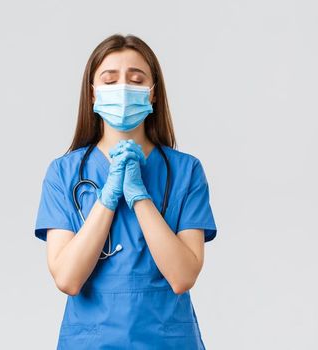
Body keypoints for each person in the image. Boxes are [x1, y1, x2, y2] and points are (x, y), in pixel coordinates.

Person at [33, 34, 218, 349]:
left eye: (136, 79)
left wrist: (140, 197)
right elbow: (67, 278)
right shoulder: (64, 173)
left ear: (152, 93)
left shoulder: (186, 171)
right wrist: (107, 198)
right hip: (92, 341)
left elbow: (183, 276)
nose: (122, 88)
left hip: (166, 341)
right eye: (110, 80)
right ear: (92, 95)